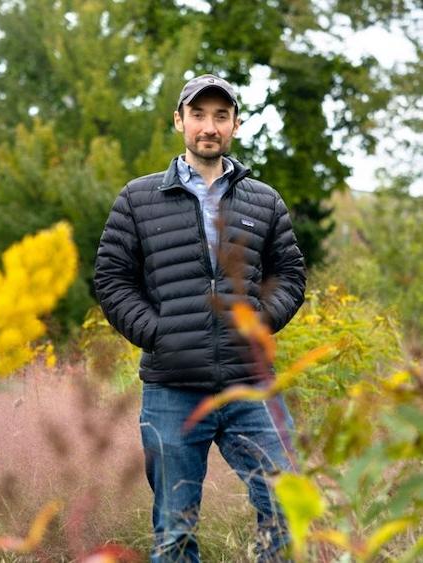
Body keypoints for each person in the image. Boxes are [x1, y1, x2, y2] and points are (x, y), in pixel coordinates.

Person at [94, 73, 306, 562]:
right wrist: (158, 333)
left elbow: (290, 275)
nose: (208, 126)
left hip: (249, 383)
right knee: (175, 528)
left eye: (220, 116)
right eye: (198, 115)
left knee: (288, 502)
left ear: (234, 124)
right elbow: (111, 279)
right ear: (179, 121)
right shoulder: (137, 199)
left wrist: (259, 322)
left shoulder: (264, 200)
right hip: (172, 387)